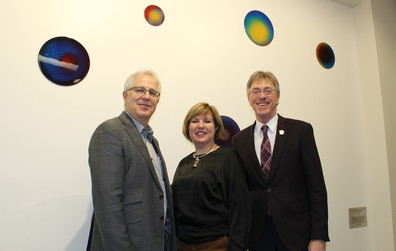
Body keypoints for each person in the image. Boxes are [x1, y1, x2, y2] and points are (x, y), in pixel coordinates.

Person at [232, 71, 329, 251]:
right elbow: (241, 192)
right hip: (258, 236)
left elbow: (317, 188)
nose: (262, 96)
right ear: (249, 99)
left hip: (297, 234)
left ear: (277, 97)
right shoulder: (239, 140)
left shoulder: (301, 131)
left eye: (268, 91)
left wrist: (318, 236)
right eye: (256, 91)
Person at [87, 70, 176, 251]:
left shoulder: (151, 140)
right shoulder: (110, 132)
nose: (146, 96)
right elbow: (108, 203)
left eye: (152, 93)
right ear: (125, 95)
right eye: (140, 90)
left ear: (157, 101)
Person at [172, 102, 249, 251]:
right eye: (195, 121)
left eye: (207, 121)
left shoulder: (229, 158)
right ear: (188, 128)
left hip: (215, 245)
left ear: (216, 128)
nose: (200, 125)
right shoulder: (184, 163)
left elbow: (240, 208)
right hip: (182, 245)